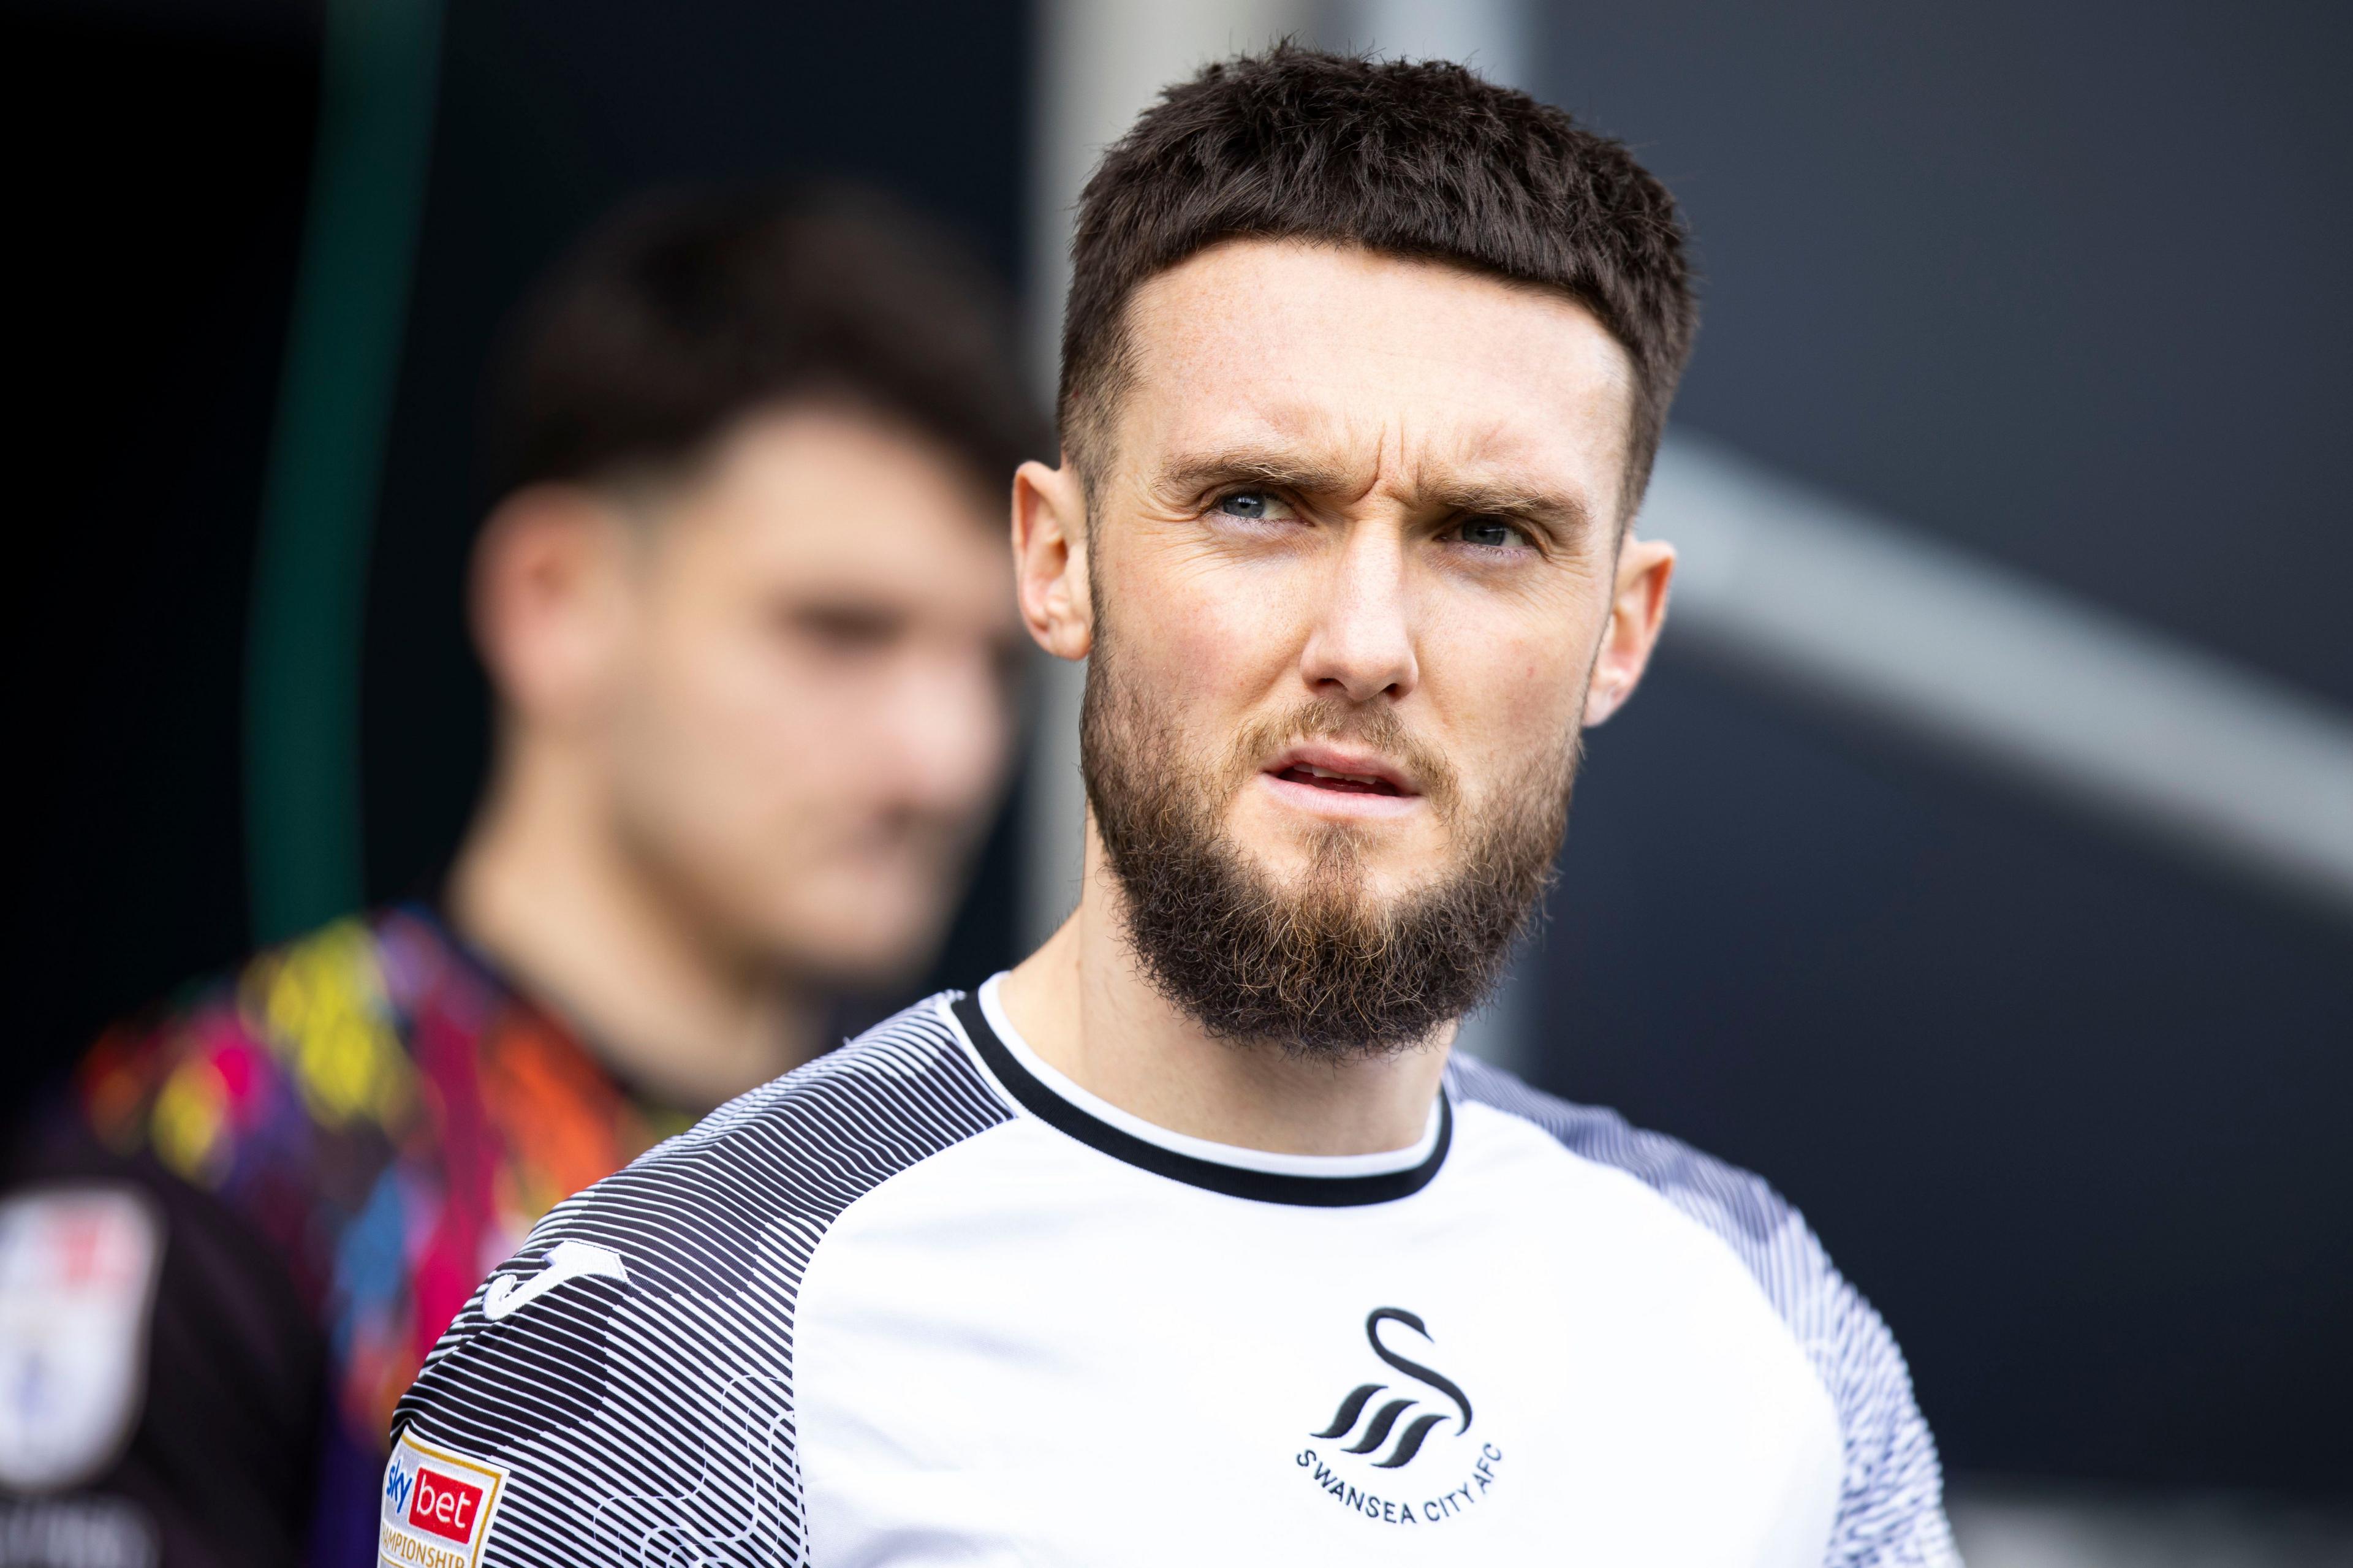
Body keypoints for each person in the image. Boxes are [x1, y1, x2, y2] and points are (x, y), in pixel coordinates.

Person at [388, 48, 1958, 1567]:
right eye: (1257, 503)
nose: (1364, 643)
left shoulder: (1762, 1320)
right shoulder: (680, 1319)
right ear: (1057, 561)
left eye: (1486, 532)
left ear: (1623, 627)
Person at [0, 186, 1040, 1567]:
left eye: (997, 665)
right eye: (840, 630)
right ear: (555, 600)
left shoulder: (979, 1202)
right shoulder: (224, 1161)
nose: (948, 756)